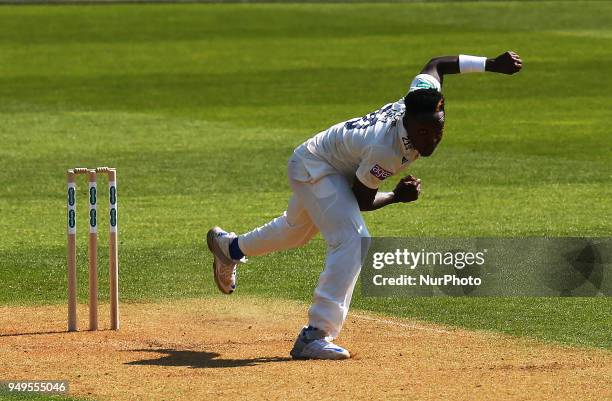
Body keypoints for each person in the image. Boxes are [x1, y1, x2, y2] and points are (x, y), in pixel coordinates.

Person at [206, 51, 523, 360]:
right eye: (423, 132)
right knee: (354, 239)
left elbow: (438, 64)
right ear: (407, 121)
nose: (431, 139)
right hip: (316, 167)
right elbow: (362, 199)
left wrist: (492, 64)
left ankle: (230, 248)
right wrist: (397, 197)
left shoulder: (422, 96)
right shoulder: (386, 149)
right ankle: (315, 335)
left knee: (296, 232)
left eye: (438, 128)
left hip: (328, 161)